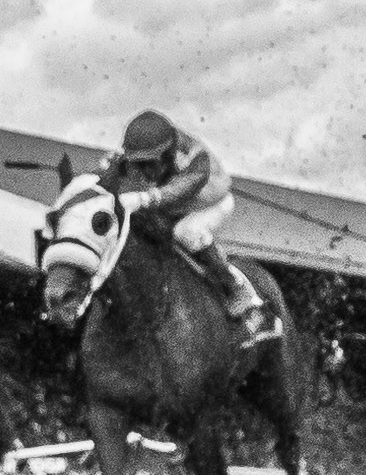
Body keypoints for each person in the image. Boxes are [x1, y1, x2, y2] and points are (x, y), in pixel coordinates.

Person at [101, 110, 274, 345]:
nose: (144, 171)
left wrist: (144, 199)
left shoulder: (193, 157)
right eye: (138, 163)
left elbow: (181, 188)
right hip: (176, 206)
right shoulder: (142, 153)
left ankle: (239, 290)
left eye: (148, 164)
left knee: (186, 233)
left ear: (166, 154)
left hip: (211, 203)